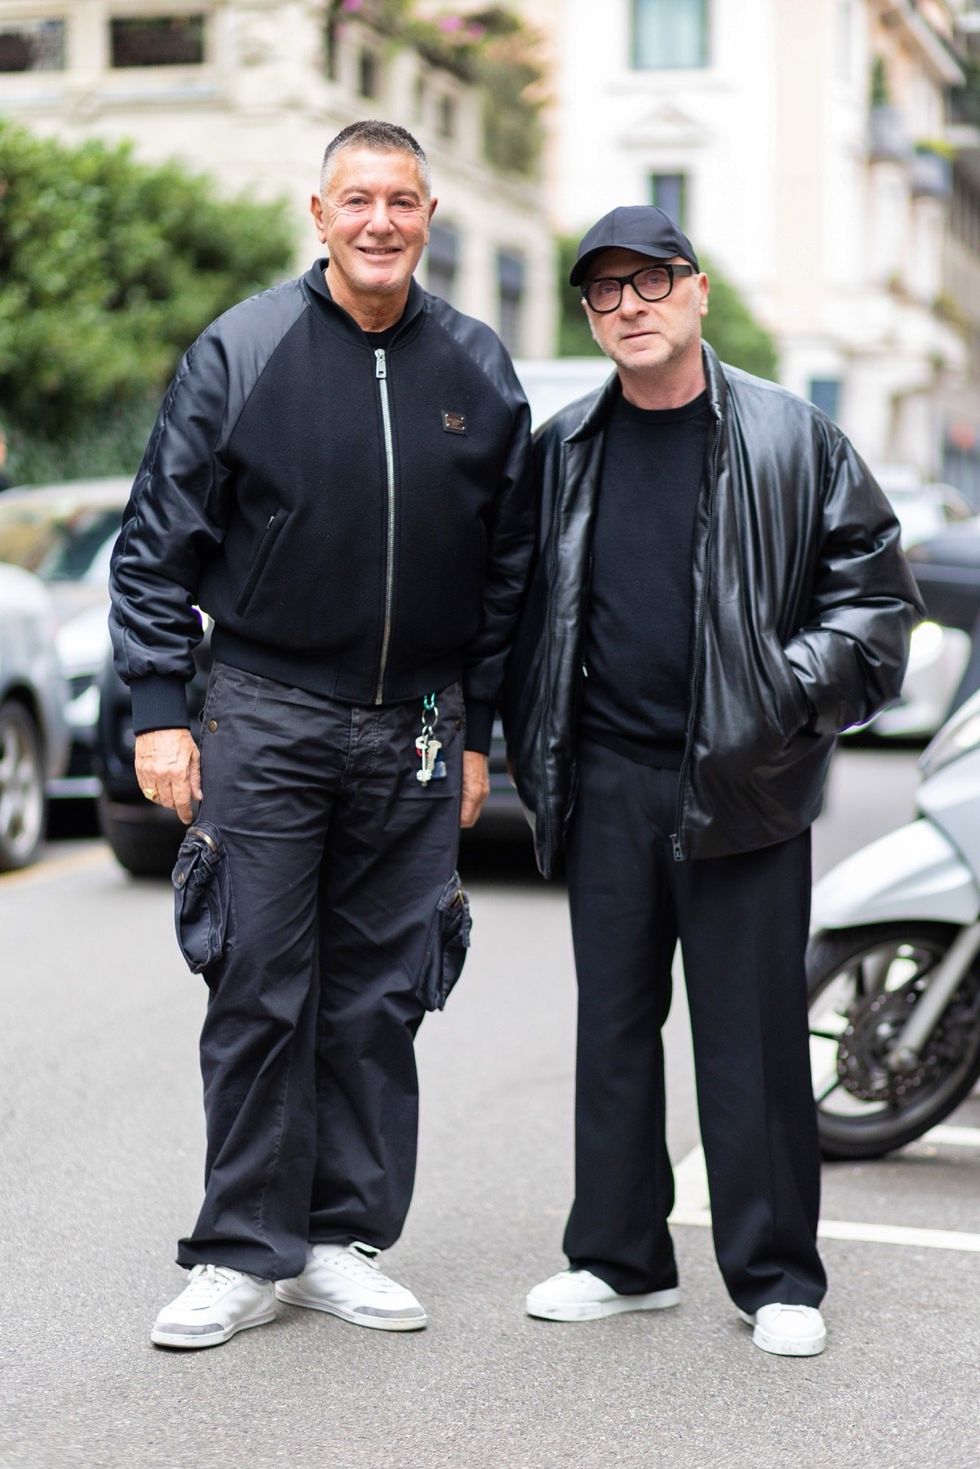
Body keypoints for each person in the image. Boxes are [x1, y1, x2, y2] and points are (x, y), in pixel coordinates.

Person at [109, 120, 532, 1350]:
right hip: (265, 708)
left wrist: (475, 734)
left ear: (430, 213)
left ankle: (339, 1238)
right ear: (318, 211)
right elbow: (154, 549)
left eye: (401, 200)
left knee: (378, 996)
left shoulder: (476, 366)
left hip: (415, 724)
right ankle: (243, 1249)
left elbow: (505, 571)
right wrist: (157, 711)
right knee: (256, 981)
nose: (380, 221)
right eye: (359, 199)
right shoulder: (243, 351)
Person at [502, 205, 923, 1357]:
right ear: (589, 318)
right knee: (613, 1031)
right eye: (603, 293)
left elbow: (876, 610)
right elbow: (518, 609)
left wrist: (778, 692)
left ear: (694, 293)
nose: (627, 306)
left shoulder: (794, 439)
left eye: (648, 283)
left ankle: (777, 1275)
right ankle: (619, 1257)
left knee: (748, 1037)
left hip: (743, 784)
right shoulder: (562, 454)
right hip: (605, 784)